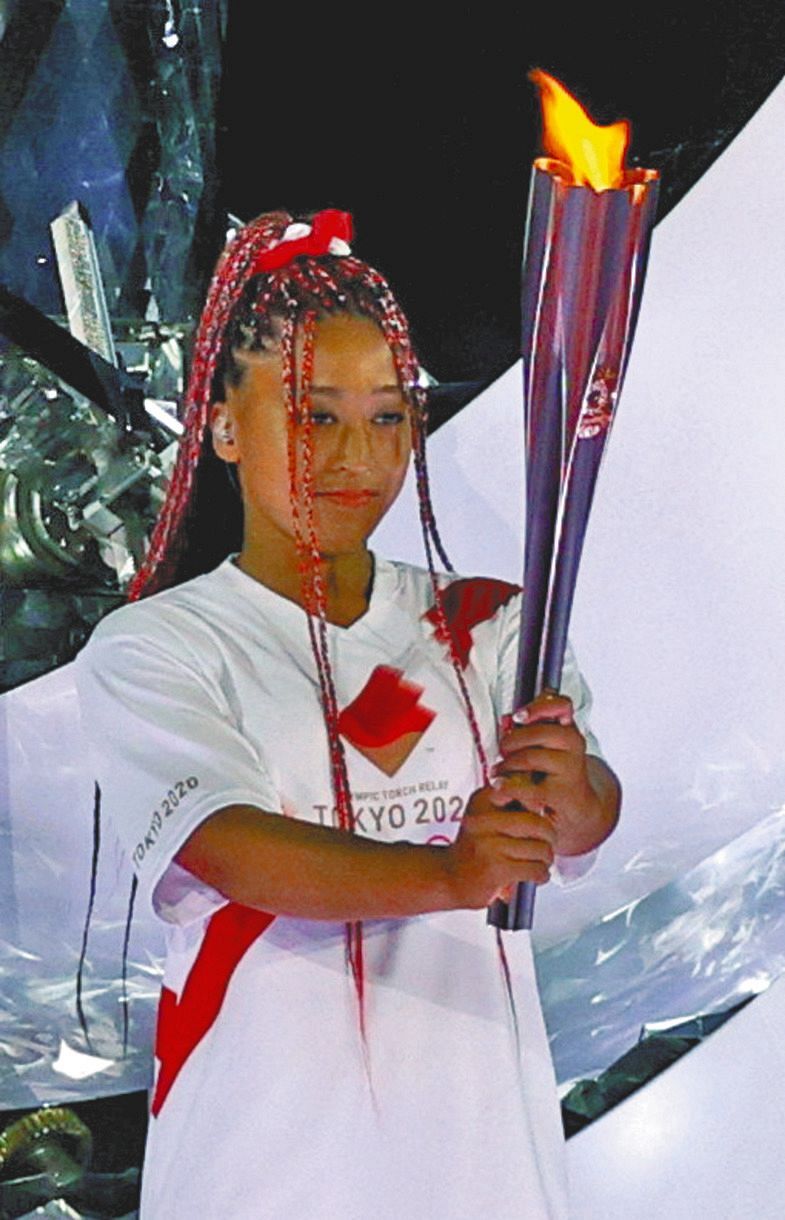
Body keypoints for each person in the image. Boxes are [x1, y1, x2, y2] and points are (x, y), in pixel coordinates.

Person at [76, 208, 620, 1220]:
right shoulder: (158, 646)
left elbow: (585, 818)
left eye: (387, 416)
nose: (357, 455)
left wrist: (570, 787)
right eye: (314, 414)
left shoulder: (489, 622)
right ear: (224, 425)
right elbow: (230, 848)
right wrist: (449, 872)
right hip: (268, 1153)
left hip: (477, 1150)